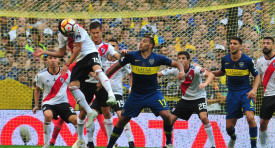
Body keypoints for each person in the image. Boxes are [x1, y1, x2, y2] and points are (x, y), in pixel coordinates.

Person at [34, 18, 117, 147]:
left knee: (98, 71)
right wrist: (45, 52)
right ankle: (88, 120)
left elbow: (77, 48)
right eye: (67, 33)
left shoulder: (78, 29)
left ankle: (111, 96)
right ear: (63, 30)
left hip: (89, 54)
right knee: (73, 86)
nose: (69, 35)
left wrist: (67, 64)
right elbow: (61, 53)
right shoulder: (61, 34)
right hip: (80, 61)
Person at [105, 36, 184, 148]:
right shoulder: (132, 56)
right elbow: (115, 67)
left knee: (167, 115)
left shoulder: (157, 58)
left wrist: (181, 71)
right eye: (141, 41)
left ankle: (169, 142)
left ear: (151, 45)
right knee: (122, 120)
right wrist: (103, 79)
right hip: (136, 95)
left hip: (153, 93)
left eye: (144, 41)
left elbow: (177, 64)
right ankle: (110, 145)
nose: (141, 43)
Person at [157, 51, 216, 148]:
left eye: (183, 58)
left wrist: (205, 84)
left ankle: (213, 145)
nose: (181, 60)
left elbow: (211, 75)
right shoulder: (175, 70)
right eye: (179, 58)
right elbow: (159, 74)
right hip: (185, 100)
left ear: (188, 60)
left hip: (199, 98)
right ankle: (168, 144)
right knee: (169, 120)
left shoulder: (195, 69)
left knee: (204, 117)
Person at [212, 36, 260, 148]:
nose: (232, 45)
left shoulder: (247, 60)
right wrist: (210, 72)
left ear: (240, 46)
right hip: (232, 94)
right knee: (229, 127)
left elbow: (257, 75)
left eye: (235, 43)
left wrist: (253, 90)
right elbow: (222, 72)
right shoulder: (225, 59)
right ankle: (233, 138)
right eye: (231, 43)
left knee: (250, 117)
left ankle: (254, 146)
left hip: (245, 93)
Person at [32, 54, 80, 148]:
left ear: (59, 60)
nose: (53, 60)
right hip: (48, 103)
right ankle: (46, 144)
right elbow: (37, 89)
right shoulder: (41, 75)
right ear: (47, 61)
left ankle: (80, 141)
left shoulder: (67, 73)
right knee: (48, 115)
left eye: (55, 58)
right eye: (50, 58)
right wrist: (36, 105)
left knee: (75, 119)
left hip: (63, 103)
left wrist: (78, 98)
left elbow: (73, 86)